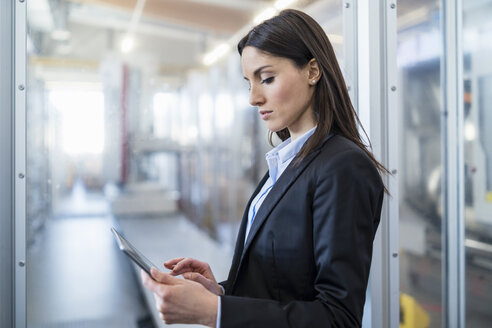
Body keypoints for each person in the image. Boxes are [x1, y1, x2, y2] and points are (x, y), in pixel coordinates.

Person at [141, 8, 387, 327]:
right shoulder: (287, 161)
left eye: (267, 78)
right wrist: (219, 294)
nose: (254, 98)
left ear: (313, 71)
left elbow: (338, 317)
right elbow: (282, 287)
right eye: (249, 83)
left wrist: (215, 313)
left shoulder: (343, 167)